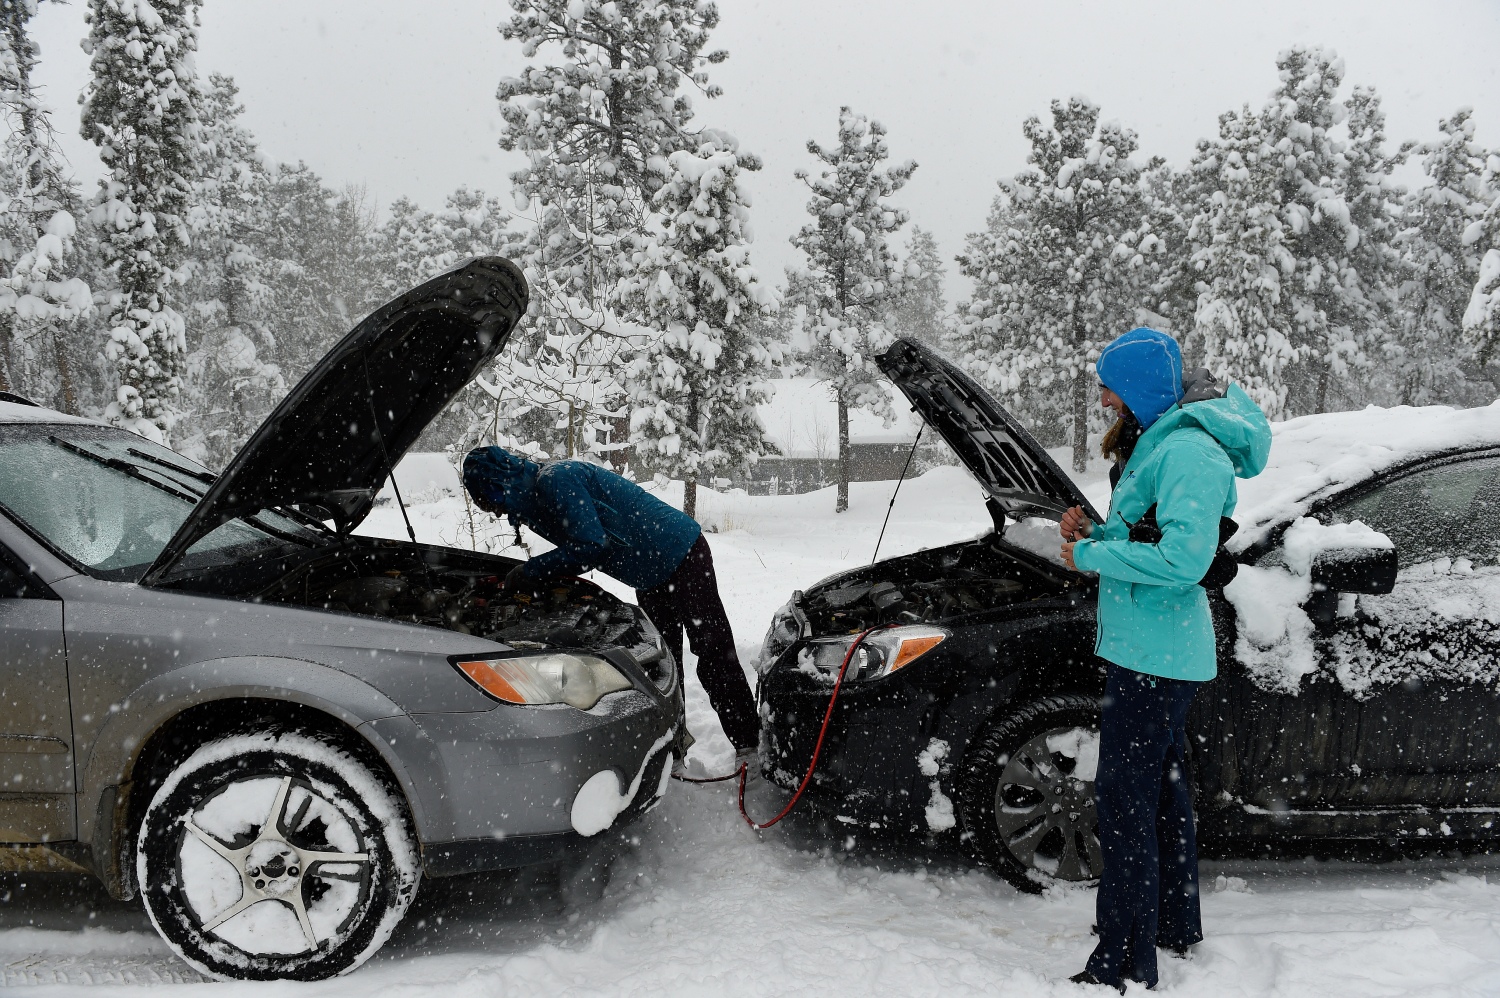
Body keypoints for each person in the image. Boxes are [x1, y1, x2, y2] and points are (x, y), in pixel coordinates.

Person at [1056, 327, 1271, 993]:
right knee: (1162, 797)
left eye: (1110, 386)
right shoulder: (1164, 442)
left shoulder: (1189, 453)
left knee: (1125, 803)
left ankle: (1121, 961)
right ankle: (1170, 926)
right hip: (1148, 650)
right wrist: (1095, 532)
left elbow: (1184, 561)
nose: (1103, 399)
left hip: (1158, 656)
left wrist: (1090, 558)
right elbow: (1150, 533)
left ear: (1142, 387)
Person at [462, 446, 759, 759]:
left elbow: (591, 544)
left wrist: (532, 571)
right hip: (647, 574)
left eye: (489, 501)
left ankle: (748, 745)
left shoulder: (556, 480)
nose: (494, 512)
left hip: (679, 551)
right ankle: (673, 750)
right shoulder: (531, 500)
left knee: (712, 650)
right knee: (662, 663)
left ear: (501, 483)